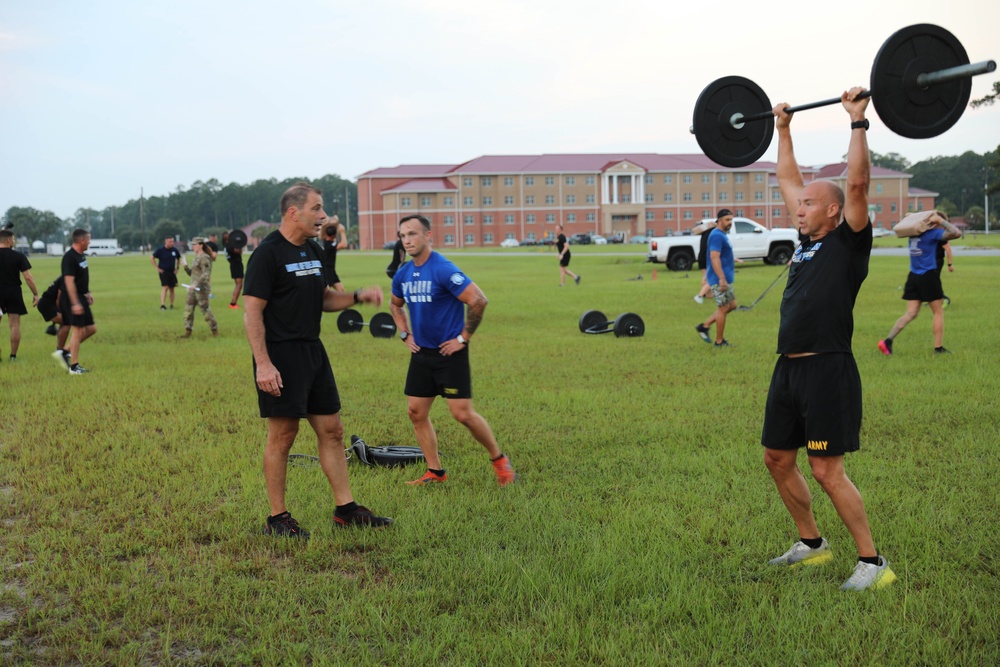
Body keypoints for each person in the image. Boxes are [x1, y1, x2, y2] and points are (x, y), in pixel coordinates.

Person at [762, 89, 896, 591]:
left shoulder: (849, 242)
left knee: (826, 469)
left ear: (836, 211)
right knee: (777, 459)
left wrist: (857, 121)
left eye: (811, 204)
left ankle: (873, 563)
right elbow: (787, 178)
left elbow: (857, 181)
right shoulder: (806, 244)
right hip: (789, 368)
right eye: (801, 204)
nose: (800, 208)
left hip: (827, 368)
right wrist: (783, 130)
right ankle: (813, 545)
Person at [243, 182, 392, 538]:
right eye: (317, 208)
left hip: (313, 350)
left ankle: (346, 509)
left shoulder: (312, 250)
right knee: (283, 436)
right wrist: (263, 363)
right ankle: (277, 519)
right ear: (294, 212)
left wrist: (356, 296)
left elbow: (323, 298)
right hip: (280, 354)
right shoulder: (267, 254)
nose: (323, 216)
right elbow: (252, 312)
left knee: (333, 430)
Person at [389, 214, 516, 487]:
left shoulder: (444, 269)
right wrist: (404, 332)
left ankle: (499, 459)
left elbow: (479, 300)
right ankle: (435, 472)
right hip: (421, 354)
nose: (407, 240)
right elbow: (395, 305)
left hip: (450, 355)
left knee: (462, 414)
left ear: (427, 236)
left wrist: (463, 337)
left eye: (412, 234)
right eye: (402, 235)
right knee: (416, 412)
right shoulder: (403, 273)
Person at [878, 211, 961, 356]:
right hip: (928, 275)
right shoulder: (932, 234)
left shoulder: (913, 234)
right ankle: (938, 349)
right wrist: (941, 221)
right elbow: (956, 233)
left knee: (911, 313)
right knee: (938, 311)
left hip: (913, 276)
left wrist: (916, 218)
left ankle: (888, 341)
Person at [56, 229, 97, 375]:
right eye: (88, 240)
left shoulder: (81, 256)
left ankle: (65, 351)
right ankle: (74, 367)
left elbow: (81, 279)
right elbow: (69, 281)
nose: (89, 242)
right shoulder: (69, 257)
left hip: (81, 296)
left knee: (91, 328)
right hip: (72, 298)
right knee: (78, 330)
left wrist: (87, 292)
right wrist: (75, 303)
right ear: (81, 241)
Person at [694, 210, 737, 347]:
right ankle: (719, 342)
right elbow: (714, 257)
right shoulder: (717, 236)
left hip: (724, 278)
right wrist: (721, 279)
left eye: (731, 220)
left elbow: (722, 255)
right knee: (723, 308)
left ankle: (705, 326)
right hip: (719, 279)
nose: (729, 223)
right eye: (726, 220)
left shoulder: (721, 235)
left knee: (732, 305)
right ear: (719, 221)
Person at [0, 229, 39, 362]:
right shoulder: (18, 256)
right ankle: (13, 356)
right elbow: (28, 277)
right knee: (15, 325)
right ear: (9, 240)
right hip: (13, 292)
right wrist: (35, 293)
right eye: (14, 239)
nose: (14, 241)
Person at [180, 237, 218, 338]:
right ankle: (188, 331)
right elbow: (193, 274)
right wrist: (185, 267)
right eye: (192, 245)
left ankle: (214, 330)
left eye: (194, 244)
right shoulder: (196, 257)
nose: (193, 247)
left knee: (205, 310)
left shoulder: (204, 258)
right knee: (188, 309)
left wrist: (196, 285)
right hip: (192, 288)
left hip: (201, 289)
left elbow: (206, 275)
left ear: (201, 245)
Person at [151, 237, 182, 310]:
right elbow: (152, 257)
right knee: (165, 287)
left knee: (172, 288)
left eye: (172, 242)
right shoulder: (160, 250)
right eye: (170, 242)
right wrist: (157, 268)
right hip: (163, 271)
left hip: (172, 272)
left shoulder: (174, 250)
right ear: (166, 242)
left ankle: (171, 305)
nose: (171, 243)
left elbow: (178, 258)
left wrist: (177, 268)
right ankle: (163, 305)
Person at [693, 217, 717, 304]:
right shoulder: (715, 231)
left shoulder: (706, 229)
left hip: (702, 256)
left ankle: (709, 295)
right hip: (708, 257)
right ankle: (700, 295)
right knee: (710, 277)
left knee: (705, 276)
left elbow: (695, 231)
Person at [321, 215, 347, 292]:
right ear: (334, 235)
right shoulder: (330, 245)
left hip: (331, 272)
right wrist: (342, 232)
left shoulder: (325, 240)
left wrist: (334, 220)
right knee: (326, 295)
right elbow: (344, 245)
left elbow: (324, 228)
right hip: (327, 272)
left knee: (341, 291)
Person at [224, 232, 245, 310]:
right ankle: (233, 303)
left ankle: (233, 302)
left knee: (238, 285)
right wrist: (240, 245)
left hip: (234, 265)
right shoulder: (230, 245)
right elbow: (238, 251)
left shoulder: (228, 245)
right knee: (239, 285)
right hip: (236, 265)